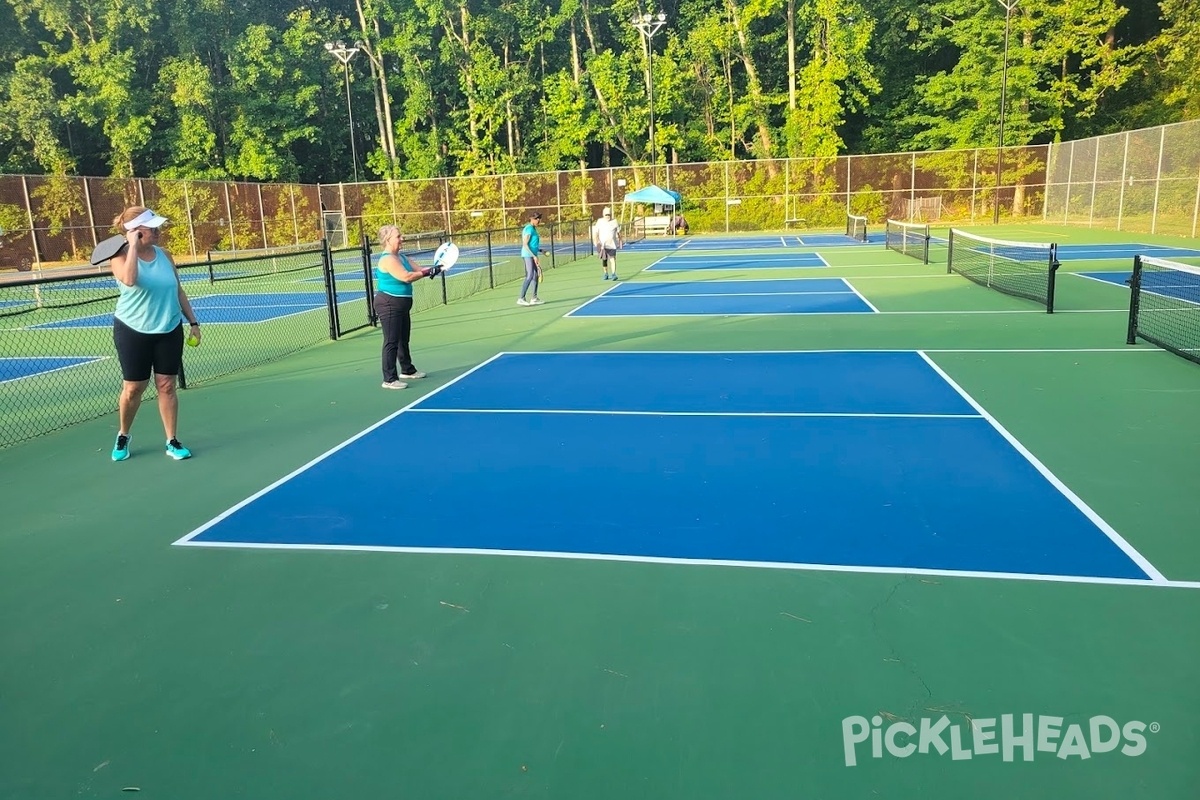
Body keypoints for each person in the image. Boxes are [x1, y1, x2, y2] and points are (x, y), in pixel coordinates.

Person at [108, 206, 202, 462]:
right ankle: (124, 434)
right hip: (132, 330)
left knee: (167, 385)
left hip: (169, 328)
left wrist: (193, 321)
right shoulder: (118, 256)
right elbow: (129, 280)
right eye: (152, 228)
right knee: (133, 388)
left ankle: (172, 440)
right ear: (135, 232)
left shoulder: (165, 255)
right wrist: (133, 248)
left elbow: (178, 290)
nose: (159, 231)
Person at [374, 224, 445, 389]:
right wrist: (426, 273)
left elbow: (420, 269)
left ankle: (407, 370)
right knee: (391, 341)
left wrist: (434, 269)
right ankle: (389, 379)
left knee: (403, 339)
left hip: (402, 305)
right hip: (388, 303)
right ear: (388, 240)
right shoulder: (388, 259)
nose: (402, 239)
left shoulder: (402, 257)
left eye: (401, 236)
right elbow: (406, 277)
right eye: (398, 236)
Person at [517, 211, 544, 306]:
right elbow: (525, 244)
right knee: (530, 275)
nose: (539, 220)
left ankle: (534, 298)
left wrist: (540, 250)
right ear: (532, 219)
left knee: (535, 275)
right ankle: (521, 298)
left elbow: (532, 244)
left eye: (539, 218)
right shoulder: (529, 229)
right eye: (537, 219)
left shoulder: (533, 229)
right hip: (527, 255)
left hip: (532, 254)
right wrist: (534, 256)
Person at [592, 207, 623, 280]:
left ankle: (613, 274)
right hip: (603, 245)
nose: (607, 216)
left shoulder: (614, 221)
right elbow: (596, 233)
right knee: (604, 260)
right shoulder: (600, 221)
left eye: (609, 214)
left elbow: (618, 232)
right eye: (606, 215)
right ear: (603, 215)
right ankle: (605, 274)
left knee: (613, 259)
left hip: (612, 245)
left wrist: (620, 241)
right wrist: (596, 242)